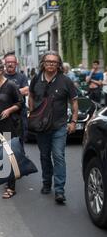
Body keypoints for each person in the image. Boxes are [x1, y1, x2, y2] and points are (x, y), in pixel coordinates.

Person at [29, 51, 78, 205]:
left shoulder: (66, 81)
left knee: (58, 156)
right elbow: (31, 96)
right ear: (43, 63)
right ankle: (46, 182)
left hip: (59, 126)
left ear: (59, 64)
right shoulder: (36, 79)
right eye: (48, 61)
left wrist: (74, 122)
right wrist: (32, 113)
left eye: (54, 62)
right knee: (44, 156)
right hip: (41, 127)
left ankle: (59, 190)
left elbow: (74, 102)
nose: (51, 64)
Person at [0, 59, 23, 199]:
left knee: (9, 155)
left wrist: (9, 110)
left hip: (9, 125)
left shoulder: (11, 86)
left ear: (0, 71)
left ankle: (11, 187)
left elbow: (20, 102)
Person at [3, 53, 29, 141]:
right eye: (8, 62)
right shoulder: (0, 77)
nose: (10, 64)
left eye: (12, 62)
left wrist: (7, 91)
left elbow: (26, 91)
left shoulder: (22, 77)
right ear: (5, 64)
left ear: (16, 64)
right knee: (5, 142)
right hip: (4, 114)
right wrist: (18, 91)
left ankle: (19, 155)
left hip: (19, 115)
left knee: (19, 141)